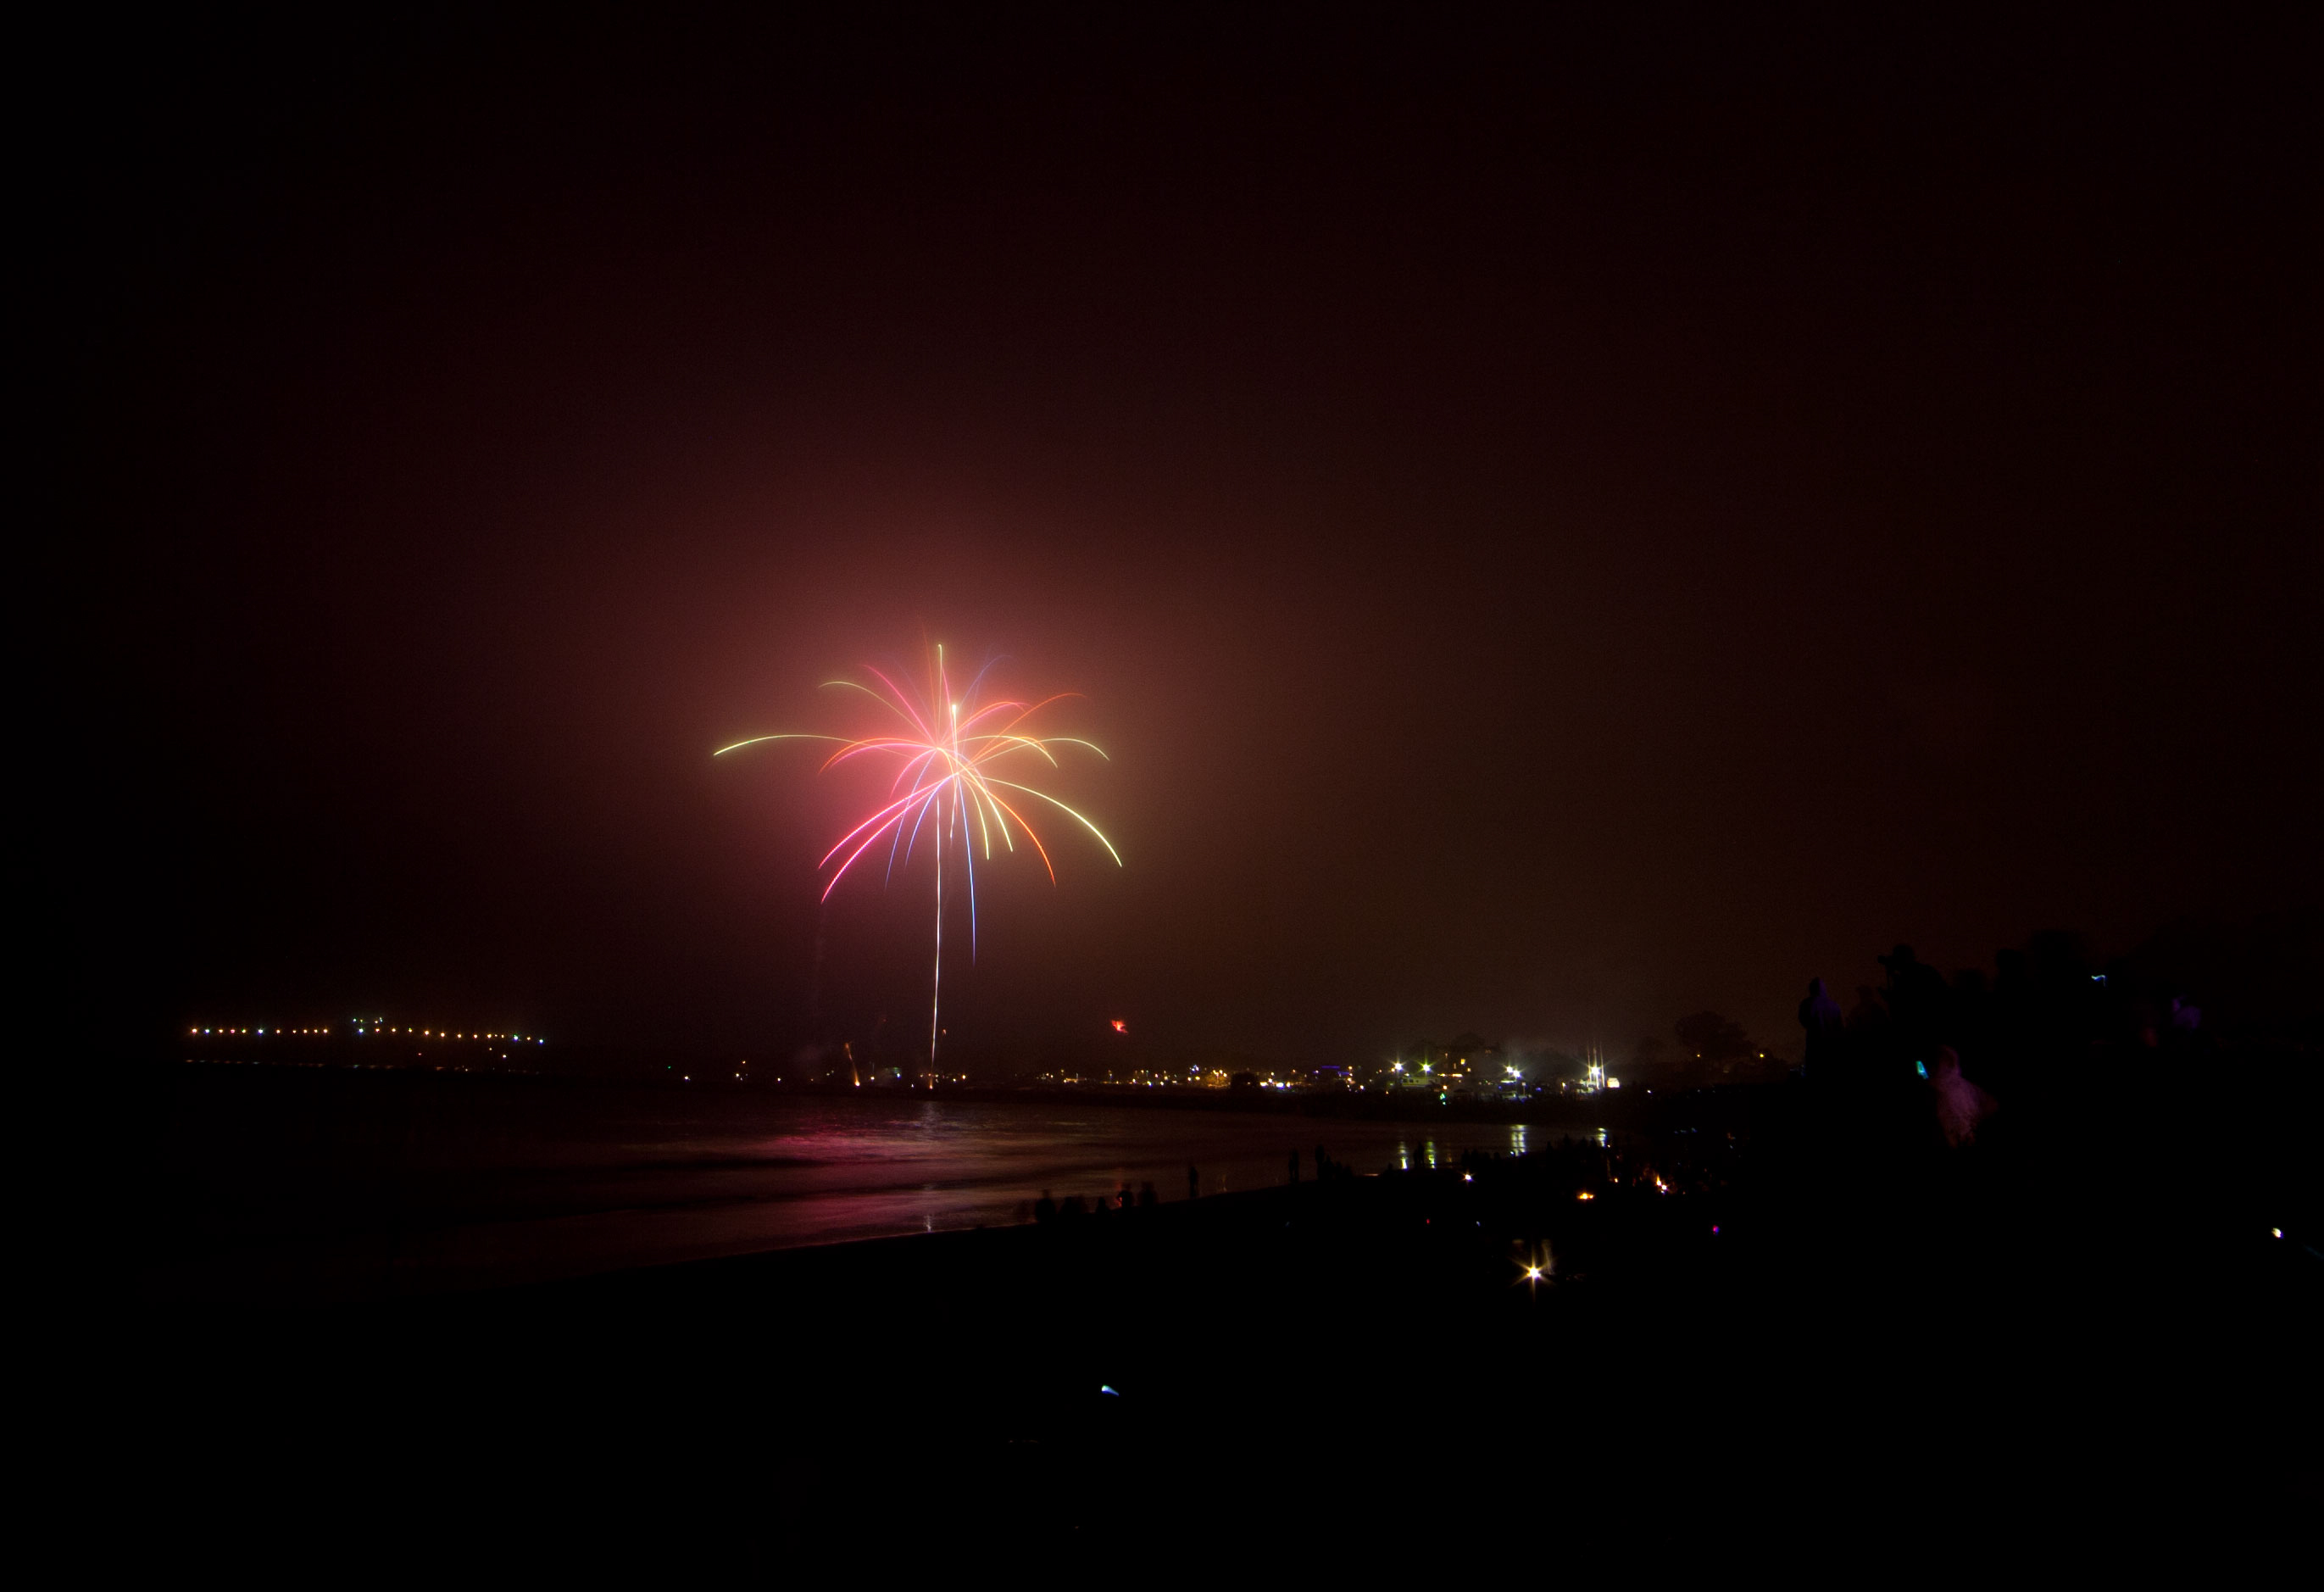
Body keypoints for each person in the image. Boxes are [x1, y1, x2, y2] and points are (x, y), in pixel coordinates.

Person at [1929, 1047, 1995, 1149]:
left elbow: (1987, 1109)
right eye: (1937, 1062)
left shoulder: (1959, 1089)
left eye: (1943, 1062)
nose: (1939, 1066)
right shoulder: (1938, 1095)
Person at [1798, 977, 1843, 1078]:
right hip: (1831, 1045)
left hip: (1814, 1043)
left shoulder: (1807, 1003)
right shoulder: (1834, 1005)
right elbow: (1840, 1027)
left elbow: (1803, 1020)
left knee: (1814, 1072)